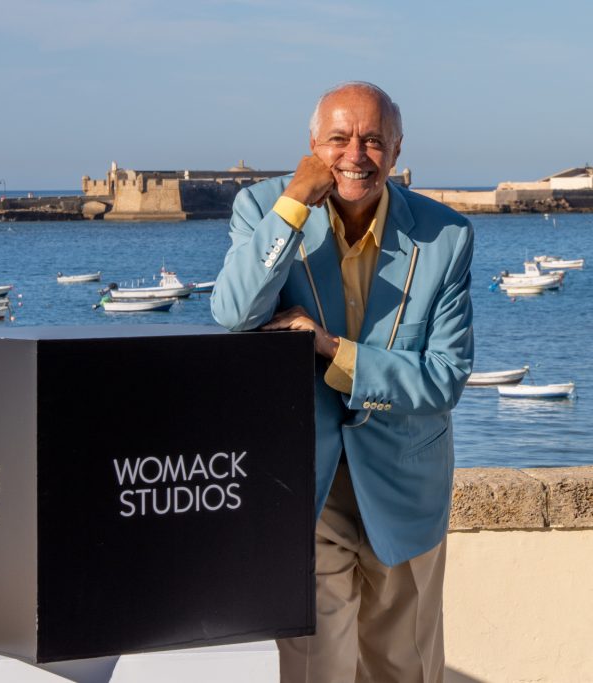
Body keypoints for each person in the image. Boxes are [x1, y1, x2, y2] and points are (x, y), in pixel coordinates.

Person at [211, 82, 474, 682]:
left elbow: (444, 378)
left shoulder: (445, 236)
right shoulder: (264, 208)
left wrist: (331, 349)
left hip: (406, 485)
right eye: (338, 139)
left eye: (373, 140)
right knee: (317, 671)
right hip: (306, 487)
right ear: (312, 146)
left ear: (397, 150)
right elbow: (234, 311)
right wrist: (296, 201)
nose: (355, 154)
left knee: (404, 670)